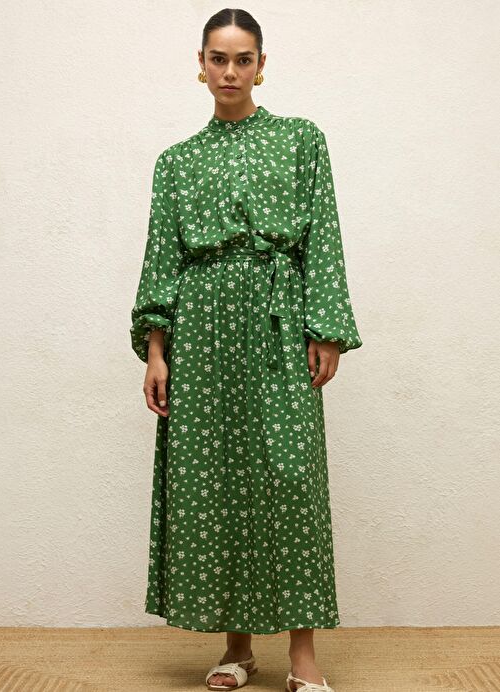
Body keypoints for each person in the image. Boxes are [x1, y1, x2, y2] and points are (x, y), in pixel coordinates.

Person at [130, 8, 362, 692]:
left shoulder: (300, 139)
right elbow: (162, 258)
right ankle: (237, 649)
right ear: (200, 65)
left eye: (242, 59)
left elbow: (323, 236)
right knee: (219, 480)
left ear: (261, 66)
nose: (229, 71)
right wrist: (156, 350)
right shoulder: (176, 162)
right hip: (200, 329)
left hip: (277, 322)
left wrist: (325, 327)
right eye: (218, 58)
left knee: (290, 481)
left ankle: (303, 658)